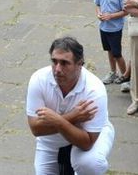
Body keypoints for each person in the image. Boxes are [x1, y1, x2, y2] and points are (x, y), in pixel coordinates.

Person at [25, 37, 114, 175]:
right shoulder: (38, 79)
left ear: (80, 64)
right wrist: (72, 116)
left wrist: (57, 120)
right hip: (50, 140)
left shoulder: (94, 90)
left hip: (88, 133)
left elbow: (87, 142)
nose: (58, 69)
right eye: (54, 62)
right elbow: (36, 129)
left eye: (65, 63)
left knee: (89, 164)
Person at [94, 0, 129, 85]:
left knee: (117, 53)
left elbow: (126, 11)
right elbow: (97, 4)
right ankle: (113, 72)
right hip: (104, 27)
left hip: (115, 28)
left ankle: (125, 77)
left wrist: (111, 16)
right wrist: (99, 14)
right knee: (109, 50)